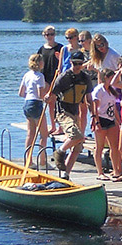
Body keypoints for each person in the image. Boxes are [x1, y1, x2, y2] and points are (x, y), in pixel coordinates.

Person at [50, 50, 92, 180]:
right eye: (75, 63)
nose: (77, 66)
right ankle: (60, 151)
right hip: (63, 112)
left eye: (80, 63)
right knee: (76, 135)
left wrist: (94, 116)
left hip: (75, 112)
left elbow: (89, 99)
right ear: (70, 62)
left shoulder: (85, 78)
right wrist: (47, 97)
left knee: (78, 146)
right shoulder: (63, 77)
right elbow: (52, 96)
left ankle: (65, 175)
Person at [89, 68, 122, 181]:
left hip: (110, 119)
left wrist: (118, 120)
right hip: (101, 119)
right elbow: (94, 106)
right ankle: (100, 172)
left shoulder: (112, 90)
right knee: (100, 147)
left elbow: (114, 107)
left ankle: (116, 170)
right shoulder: (99, 90)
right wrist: (96, 121)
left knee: (115, 146)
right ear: (106, 78)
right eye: (111, 77)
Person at [19, 54, 48, 169]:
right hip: (36, 104)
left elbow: (21, 93)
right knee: (44, 134)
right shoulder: (40, 76)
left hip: (27, 104)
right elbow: (41, 95)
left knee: (30, 134)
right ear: (40, 63)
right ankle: (42, 161)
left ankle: (28, 161)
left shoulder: (27, 75)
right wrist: (46, 96)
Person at [36, 26, 62, 137]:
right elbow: (37, 62)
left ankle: (60, 126)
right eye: (47, 34)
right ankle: (53, 126)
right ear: (44, 35)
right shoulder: (42, 49)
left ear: (54, 35)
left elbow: (65, 61)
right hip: (45, 78)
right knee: (49, 103)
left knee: (59, 104)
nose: (49, 37)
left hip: (56, 78)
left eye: (51, 34)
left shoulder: (60, 47)